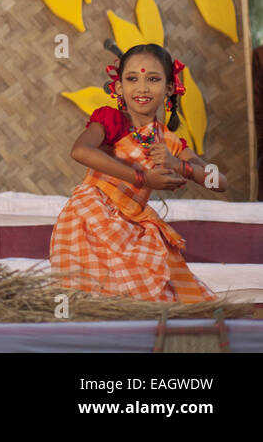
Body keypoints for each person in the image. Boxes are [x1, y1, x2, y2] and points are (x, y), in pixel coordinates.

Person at [50, 43, 222, 302]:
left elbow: (219, 182)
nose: (142, 88)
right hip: (91, 219)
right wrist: (142, 178)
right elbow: (80, 151)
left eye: (152, 79)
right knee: (98, 299)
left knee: (165, 296)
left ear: (169, 88)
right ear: (119, 87)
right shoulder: (111, 121)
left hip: (135, 227)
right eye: (132, 79)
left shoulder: (170, 142)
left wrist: (181, 166)